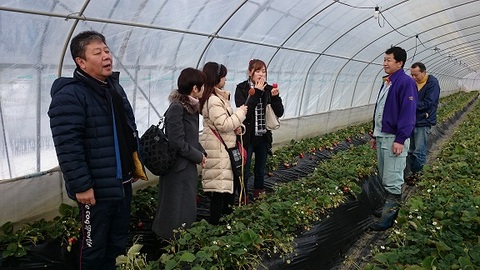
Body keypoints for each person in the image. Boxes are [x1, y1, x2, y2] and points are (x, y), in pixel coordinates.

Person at [48, 31, 147, 269]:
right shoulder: (70, 96)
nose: (106, 56)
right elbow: (68, 146)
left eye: (106, 50)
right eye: (97, 52)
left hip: (121, 182)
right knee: (94, 246)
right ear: (80, 62)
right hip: (96, 189)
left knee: (118, 241)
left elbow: (127, 130)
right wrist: (82, 185)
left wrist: (133, 164)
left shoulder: (113, 88)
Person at [152, 68, 207, 240]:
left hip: (186, 165)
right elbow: (177, 142)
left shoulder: (190, 107)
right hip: (178, 168)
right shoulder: (177, 108)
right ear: (195, 88)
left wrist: (202, 153)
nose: (204, 88)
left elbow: (190, 137)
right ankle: (168, 240)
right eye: (202, 85)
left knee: (184, 205)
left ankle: (181, 238)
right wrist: (198, 156)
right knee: (175, 207)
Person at [369, 47, 417, 231]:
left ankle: (388, 217)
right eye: (384, 59)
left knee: (393, 177)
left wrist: (400, 138)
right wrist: (374, 133)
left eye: (389, 60)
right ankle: (387, 208)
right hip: (383, 135)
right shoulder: (387, 82)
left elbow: (408, 114)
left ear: (400, 63)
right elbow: (380, 109)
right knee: (384, 175)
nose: (385, 63)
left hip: (394, 138)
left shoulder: (405, 83)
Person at [199, 62, 248, 225]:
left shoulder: (218, 98)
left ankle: (224, 222)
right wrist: (241, 113)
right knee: (219, 190)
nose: (225, 79)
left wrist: (238, 127)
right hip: (218, 150)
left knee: (226, 187)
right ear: (217, 77)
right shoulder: (213, 100)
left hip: (224, 148)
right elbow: (224, 124)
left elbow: (226, 124)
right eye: (223, 76)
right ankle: (215, 226)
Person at [235, 59, 284, 200]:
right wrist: (256, 92)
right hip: (248, 138)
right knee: (245, 169)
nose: (261, 74)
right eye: (258, 71)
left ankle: (258, 195)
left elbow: (279, 112)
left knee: (260, 170)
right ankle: (243, 197)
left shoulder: (268, 89)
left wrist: (275, 98)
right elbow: (244, 112)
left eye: (263, 71)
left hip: (263, 137)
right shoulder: (242, 89)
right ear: (250, 72)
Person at [404, 62, 441, 186]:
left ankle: (418, 174)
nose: (414, 78)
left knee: (419, 150)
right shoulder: (413, 84)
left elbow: (429, 102)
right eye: (412, 75)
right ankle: (411, 173)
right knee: (410, 150)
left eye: (416, 75)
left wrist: (411, 104)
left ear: (424, 72)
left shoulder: (432, 84)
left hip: (423, 122)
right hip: (412, 120)